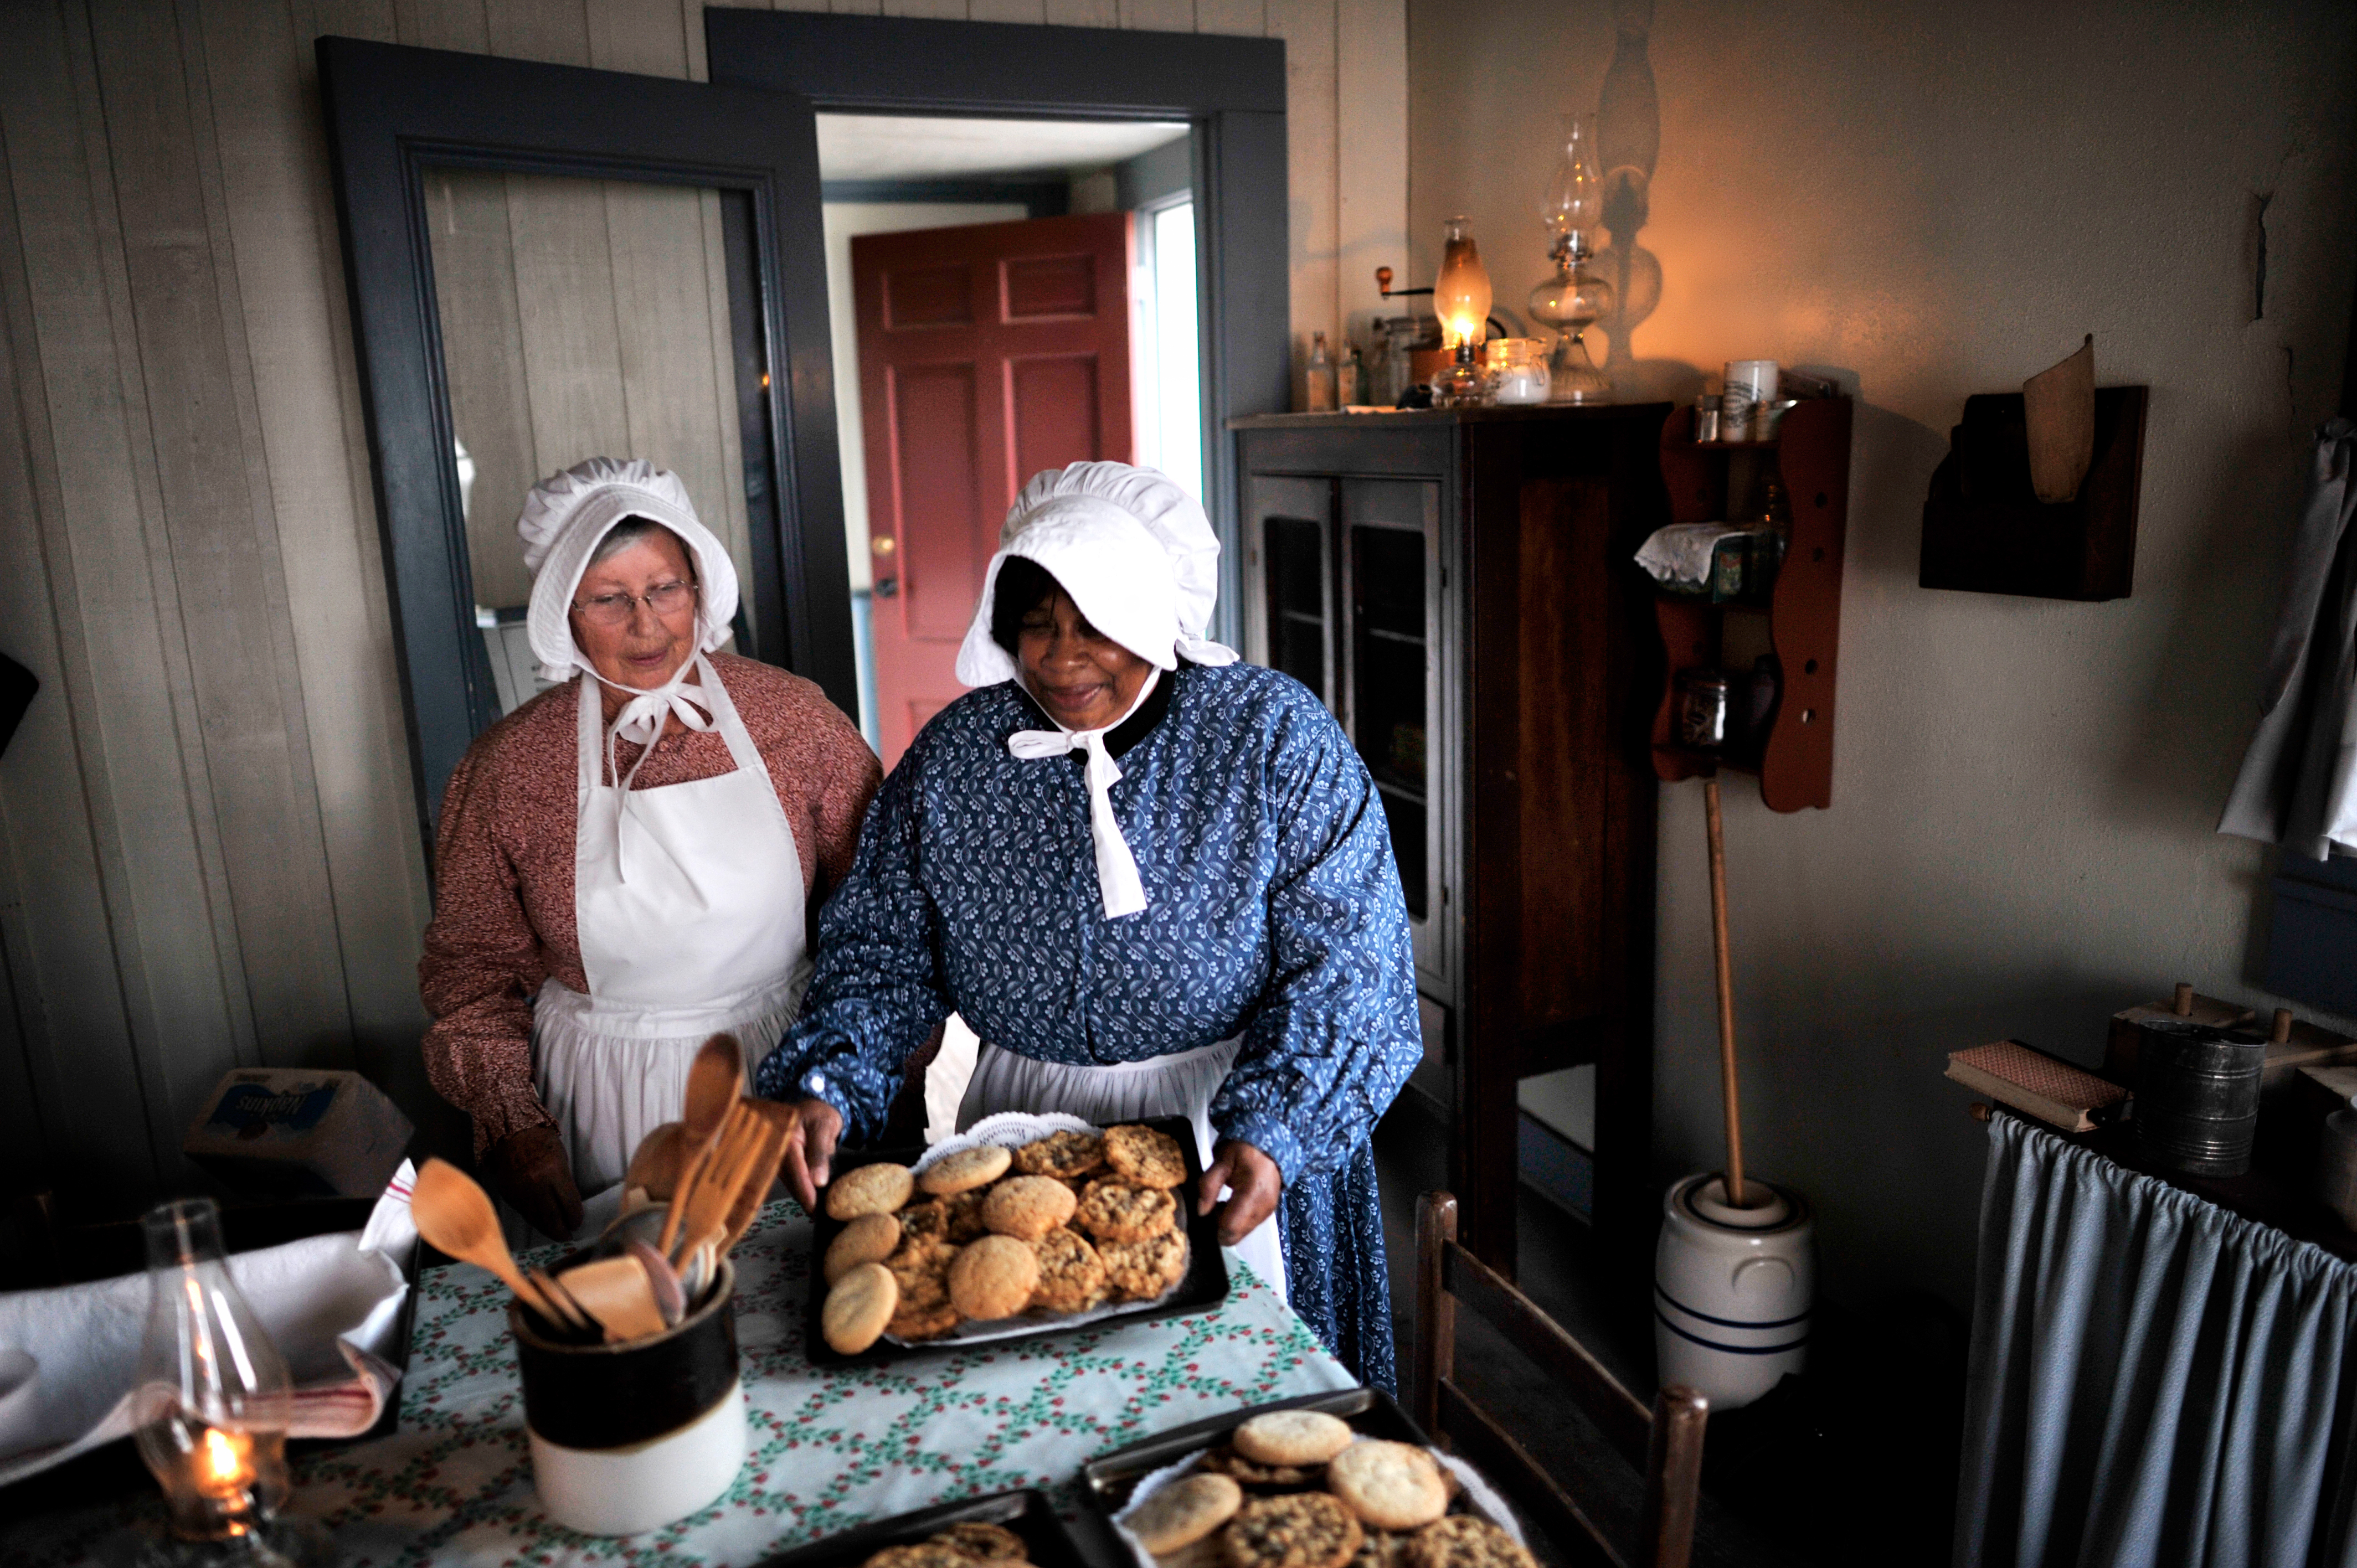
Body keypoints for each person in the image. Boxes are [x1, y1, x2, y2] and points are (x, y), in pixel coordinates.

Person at [756, 461, 1419, 1388]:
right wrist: (832, 1075)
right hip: (1020, 1132)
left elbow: (1350, 966)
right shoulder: (960, 757)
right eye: (1037, 623)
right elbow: (882, 951)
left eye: (1098, 625)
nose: (1062, 662)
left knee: (1235, 1417)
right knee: (1038, 1398)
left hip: (1227, 1125)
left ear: (1155, 612)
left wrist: (1278, 1123)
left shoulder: (1269, 738)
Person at [421, 457, 879, 1240]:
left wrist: (865, 1076)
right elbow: (471, 976)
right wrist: (513, 1124)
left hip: (787, 1072)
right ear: (564, 613)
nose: (647, 624)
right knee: (643, 1324)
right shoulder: (510, 768)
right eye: (609, 599)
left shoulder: (795, 722)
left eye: (665, 589)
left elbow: (879, 917)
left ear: (700, 589)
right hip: (606, 1098)